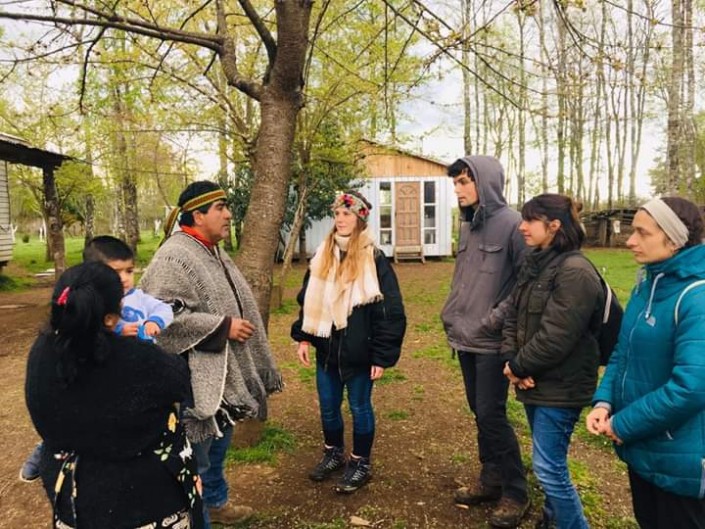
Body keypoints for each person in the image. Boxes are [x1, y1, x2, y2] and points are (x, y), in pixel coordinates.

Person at [140, 180, 282, 527]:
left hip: (222, 379)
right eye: (220, 208)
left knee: (217, 450)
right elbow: (160, 319)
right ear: (198, 215)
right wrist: (221, 327)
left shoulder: (211, 249)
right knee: (196, 462)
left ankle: (216, 504)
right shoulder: (174, 256)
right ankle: (196, 518)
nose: (229, 214)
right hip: (193, 383)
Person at [25, 261, 201, 528]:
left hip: (71, 497)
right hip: (142, 500)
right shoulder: (135, 358)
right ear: (109, 317)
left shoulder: (41, 351)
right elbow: (179, 380)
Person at [586, 197, 705, 529]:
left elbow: (691, 388)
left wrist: (623, 424)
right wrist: (604, 402)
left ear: (674, 239)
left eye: (642, 233)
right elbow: (622, 352)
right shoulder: (647, 286)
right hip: (643, 443)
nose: (630, 240)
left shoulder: (697, 297)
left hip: (681, 458)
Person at [19, 235, 175, 483]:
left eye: (129, 271)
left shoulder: (139, 298)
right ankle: (48, 445)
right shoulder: (88, 306)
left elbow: (164, 309)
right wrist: (116, 330)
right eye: (116, 272)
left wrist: (154, 322)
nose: (124, 279)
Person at [291, 190, 406, 493]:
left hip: (360, 354)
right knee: (328, 408)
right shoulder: (323, 254)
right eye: (337, 214)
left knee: (360, 408)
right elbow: (309, 299)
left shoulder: (374, 259)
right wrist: (304, 338)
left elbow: (389, 311)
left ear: (359, 219)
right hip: (327, 350)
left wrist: (381, 355)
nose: (340, 219)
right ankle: (333, 454)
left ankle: (360, 462)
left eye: (347, 214)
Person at [501, 194, 605, 529]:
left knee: (548, 469)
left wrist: (518, 367)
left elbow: (556, 336)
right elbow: (512, 316)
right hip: (535, 379)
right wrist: (512, 361)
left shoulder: (575, 272)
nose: (522, 227)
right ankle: (552, 519)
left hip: (561, 386)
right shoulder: (535, 263)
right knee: (548, 463)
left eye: (530, 220)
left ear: (554, 225)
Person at [440, 156, 530, 528]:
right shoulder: (468, 225)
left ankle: (516, 492)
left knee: (492, 415)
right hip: (465, 338)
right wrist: (451, 313)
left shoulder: (513, 224)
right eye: (455, 183)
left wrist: (493, 319)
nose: (458, 189)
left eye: (464, 181)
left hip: (492, 341)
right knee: (480, 412)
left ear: (486, 182)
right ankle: (491, 478)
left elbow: (525, 285)